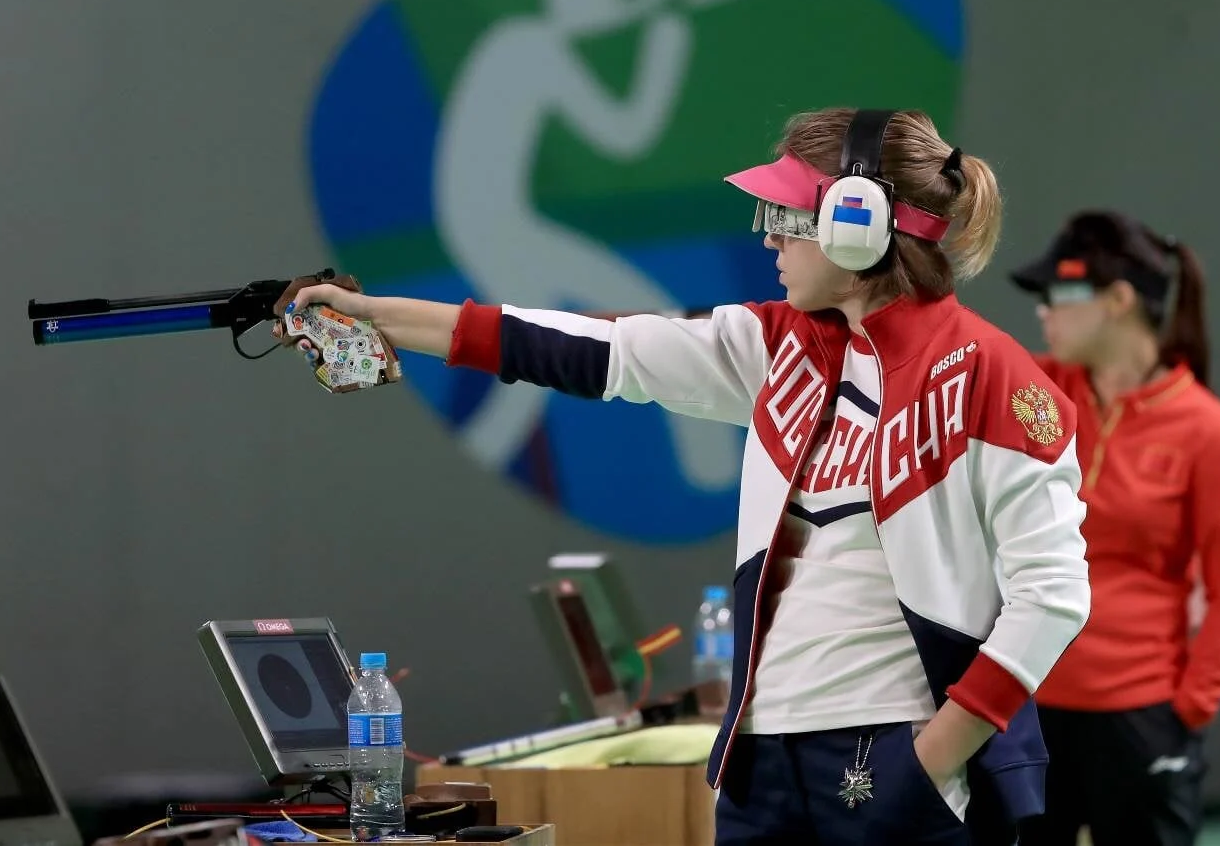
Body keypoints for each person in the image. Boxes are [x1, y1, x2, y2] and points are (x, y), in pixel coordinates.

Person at [277, 108, 1092, 845]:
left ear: (857, 227)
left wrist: (931, 755)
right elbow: (577, 344)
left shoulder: (994, 380)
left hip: (893, 750)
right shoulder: (778, 347)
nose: (767, 240)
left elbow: (1052, 597)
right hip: (759, 753)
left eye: (784, 217)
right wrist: (372, 314)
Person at [1007, 211, 1220, 846]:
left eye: (1058, 295)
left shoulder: (1211, 433)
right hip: (1026, 705)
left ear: (1120, 300)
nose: (1043, 311)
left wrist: (1189, 710)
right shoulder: (1037, 392)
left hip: (1142, 717)